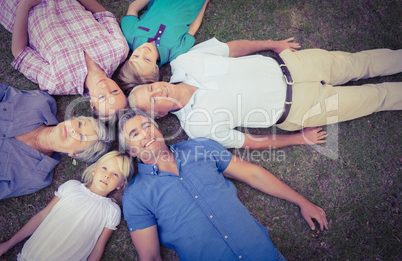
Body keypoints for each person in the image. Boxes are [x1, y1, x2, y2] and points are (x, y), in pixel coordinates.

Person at [118, 109, 328, 260]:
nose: (145, 133)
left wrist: (301, 201)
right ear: (131, 151)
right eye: (135, 134)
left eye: (147, 126)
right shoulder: (136, 196)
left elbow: (253, 174)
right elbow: (151, 256)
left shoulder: (199, 147)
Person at [128, 37, 402, 150]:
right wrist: (297, 139)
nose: (157, 91)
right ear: (161, 114)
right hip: (300, 108)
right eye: (153, 101)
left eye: (150, 88)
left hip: (295, 65)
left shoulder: (185, 62)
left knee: (360, 63)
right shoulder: (198, 126)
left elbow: (231, 49)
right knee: (374, 99)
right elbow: (249, 141)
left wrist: (274, 43)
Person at [0, 0, 130, 122]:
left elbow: (20, 52)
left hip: (19, 3)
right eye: (114, 91)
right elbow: (104, 15)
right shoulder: (118, 49)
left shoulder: (57, 82)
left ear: (92, 104)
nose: (105, 88)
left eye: (102, 97)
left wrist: (25, 3)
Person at [0, 150, 134, 260]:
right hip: (33, 255)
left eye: (115, 174)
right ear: (94, 170)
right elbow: (42, 216)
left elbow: (98, 247)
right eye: (104, 168)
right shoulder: (72, 187)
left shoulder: (112, 211)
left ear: (120, 184)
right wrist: (8, 245)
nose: (107, 175)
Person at [0, 83, 112, 200]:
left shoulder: (36, 177)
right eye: (79, 124)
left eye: (81, 137)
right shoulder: (40, 102)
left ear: (75, 154)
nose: (73, 130)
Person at [117, 0, 215, 94]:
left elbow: (133, 8)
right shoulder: (176, 51)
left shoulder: (131, 35)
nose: (143, 51)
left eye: (135, 56)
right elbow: (193, 27)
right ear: (156, 69)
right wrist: (206, 1)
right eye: (147, 59)